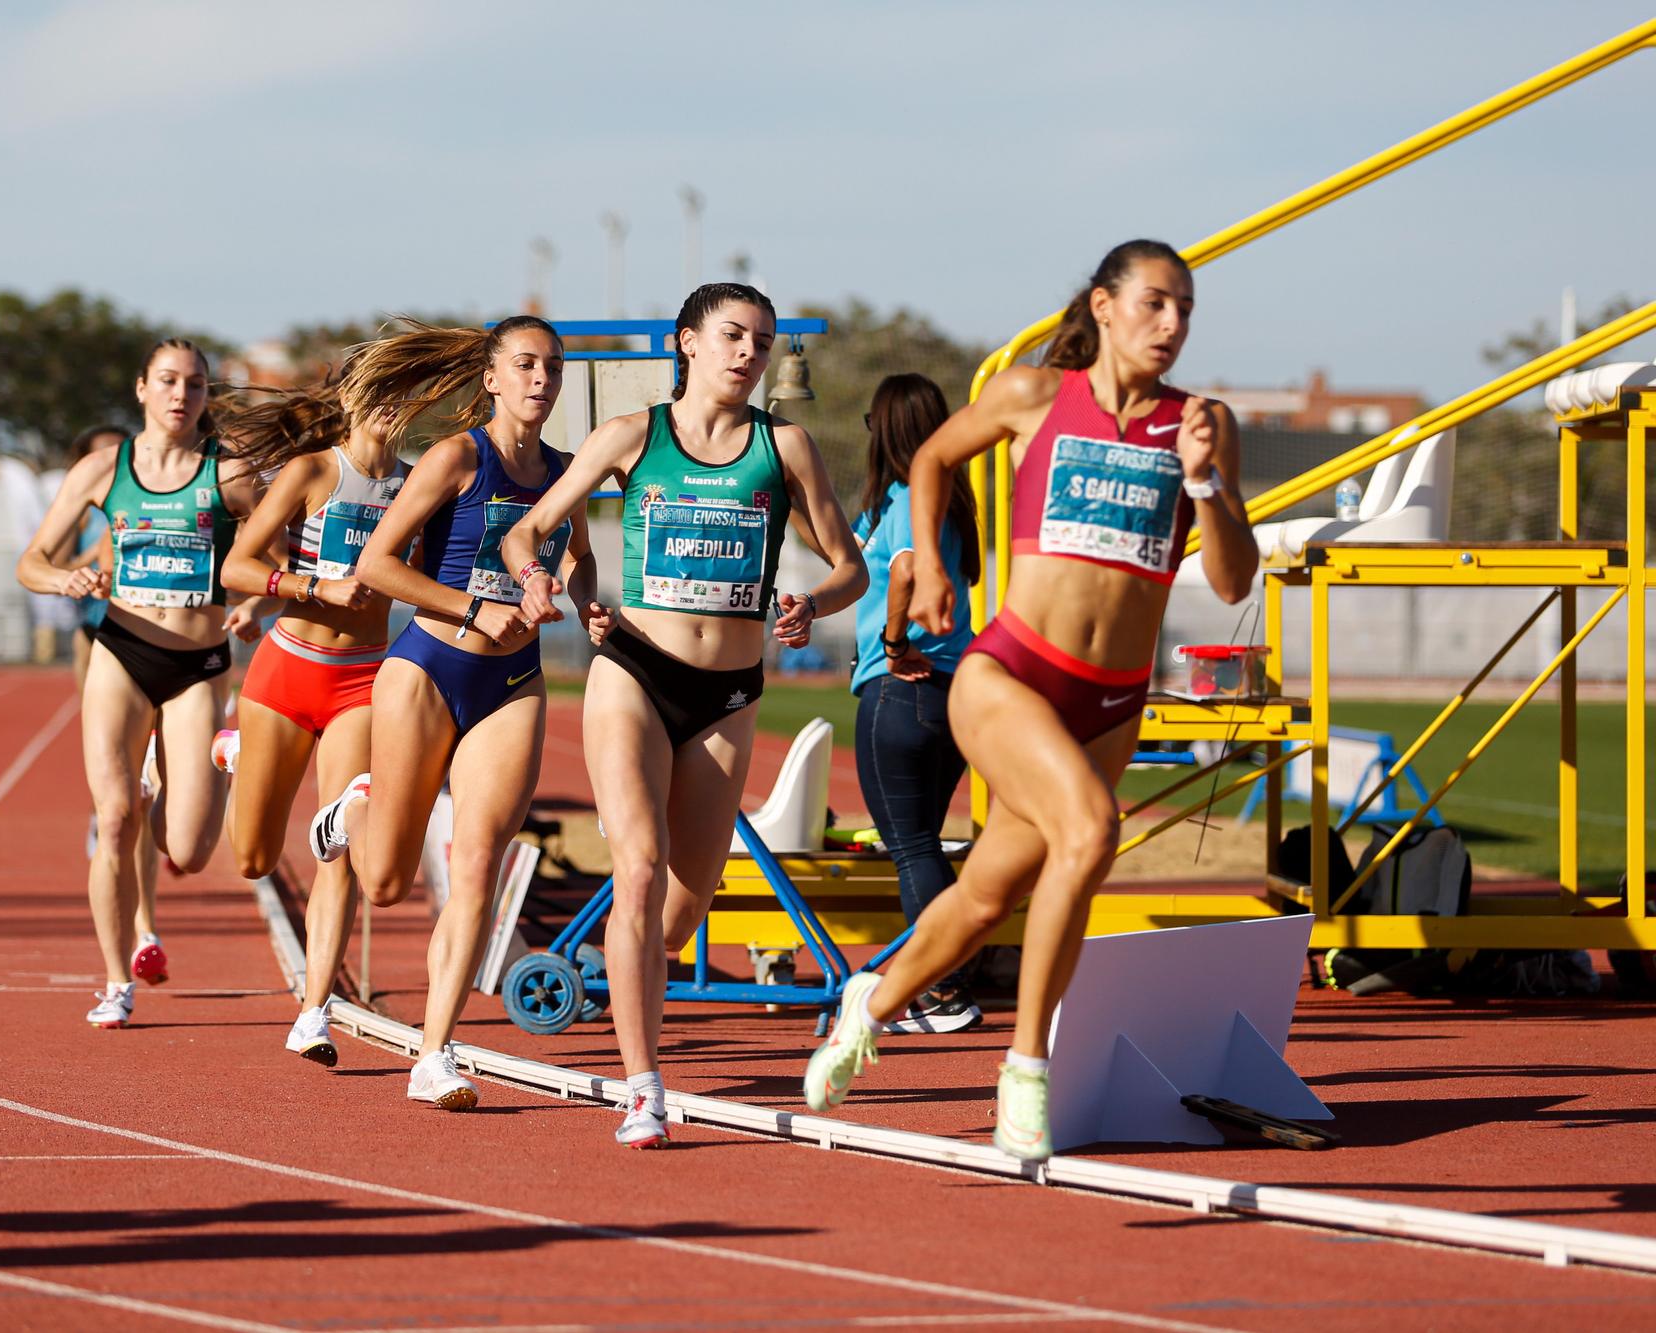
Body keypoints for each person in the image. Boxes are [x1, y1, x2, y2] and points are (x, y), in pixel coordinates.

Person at [803, 240, 1257, 1159]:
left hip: (1110, 701)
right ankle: (1026, 1066)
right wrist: (929, 563)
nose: (1171, 325)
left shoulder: (1201, 423)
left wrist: (1207, 482)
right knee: (1091, 830)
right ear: (1103, 305)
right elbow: (931, 461)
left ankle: (871, 1003)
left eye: (1186, 311)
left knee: (982, 898)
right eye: (1155, 304)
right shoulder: (1033, 396)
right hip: (1009, 673)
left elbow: (1234, 574)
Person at [503, 283, 867, 1148]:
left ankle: (619, 966)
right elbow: (528, 531)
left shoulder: (785, 447)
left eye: (763, 340)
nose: (749, 352)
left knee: (685, 900)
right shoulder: (632, 437)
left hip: (728, 695)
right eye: (733, 335)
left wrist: (813, 606)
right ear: (688, 343)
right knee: (638, 862)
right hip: (633, 670)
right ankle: (643, 1087)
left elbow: (849, 566)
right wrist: (536, 577)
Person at [310, 317, 599, 1111]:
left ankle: (434, 1053)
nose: (542, 378)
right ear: (493, 378)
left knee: (477, 862)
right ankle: (355, 810)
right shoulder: (455, 458)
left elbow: (576, 553)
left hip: (514, 680)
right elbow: (377, 565)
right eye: (525, 365)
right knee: (387, 884)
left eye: (553, 366)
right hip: (426, 670)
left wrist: (590, 603)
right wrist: (473, 608)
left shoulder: (568, 472)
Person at [16, 339, 269, 1028]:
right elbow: (31, 560)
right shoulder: (104, 469)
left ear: (207, 395)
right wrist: (62, 576)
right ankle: (113, 979)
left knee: (185, 850)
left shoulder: (232, 475)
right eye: (167, 381)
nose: (180, 394)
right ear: (141, 390)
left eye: (194, 383)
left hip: (198, 665)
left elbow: (277, 550)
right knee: (116, 818)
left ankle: (202, 765)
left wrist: (257, 600)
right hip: (121, 653)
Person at [215, 366, 407, 1069]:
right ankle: (235, 753)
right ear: (350, 400)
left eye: (402, 396)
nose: (390, 408)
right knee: (252, 857)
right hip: (286, 671)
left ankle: (314, 1009)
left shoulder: (419, 483)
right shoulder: (312, 472)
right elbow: (238, 564)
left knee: (342, 850)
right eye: (379, 393)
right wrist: (304, 585)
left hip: (363, 678)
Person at [847, 374, 982, 1035]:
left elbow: (903, 569)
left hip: (904, 686)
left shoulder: (909, 498)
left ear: (888, 430)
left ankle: (941, 989)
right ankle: (945, 978)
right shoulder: (953, 503)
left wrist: (894, 639)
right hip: (952, 691)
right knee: (921, 844)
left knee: (912, 846)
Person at [61, 425, 131, 858]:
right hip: (93, 629)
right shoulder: (82, 508)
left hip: (143, 627)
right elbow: (56, 560)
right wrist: (80, 571)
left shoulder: (148, 494)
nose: (107, 460)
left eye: (115, 451)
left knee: (145, 733)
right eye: (98, 453)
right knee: (100, 732)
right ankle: (100, 811)